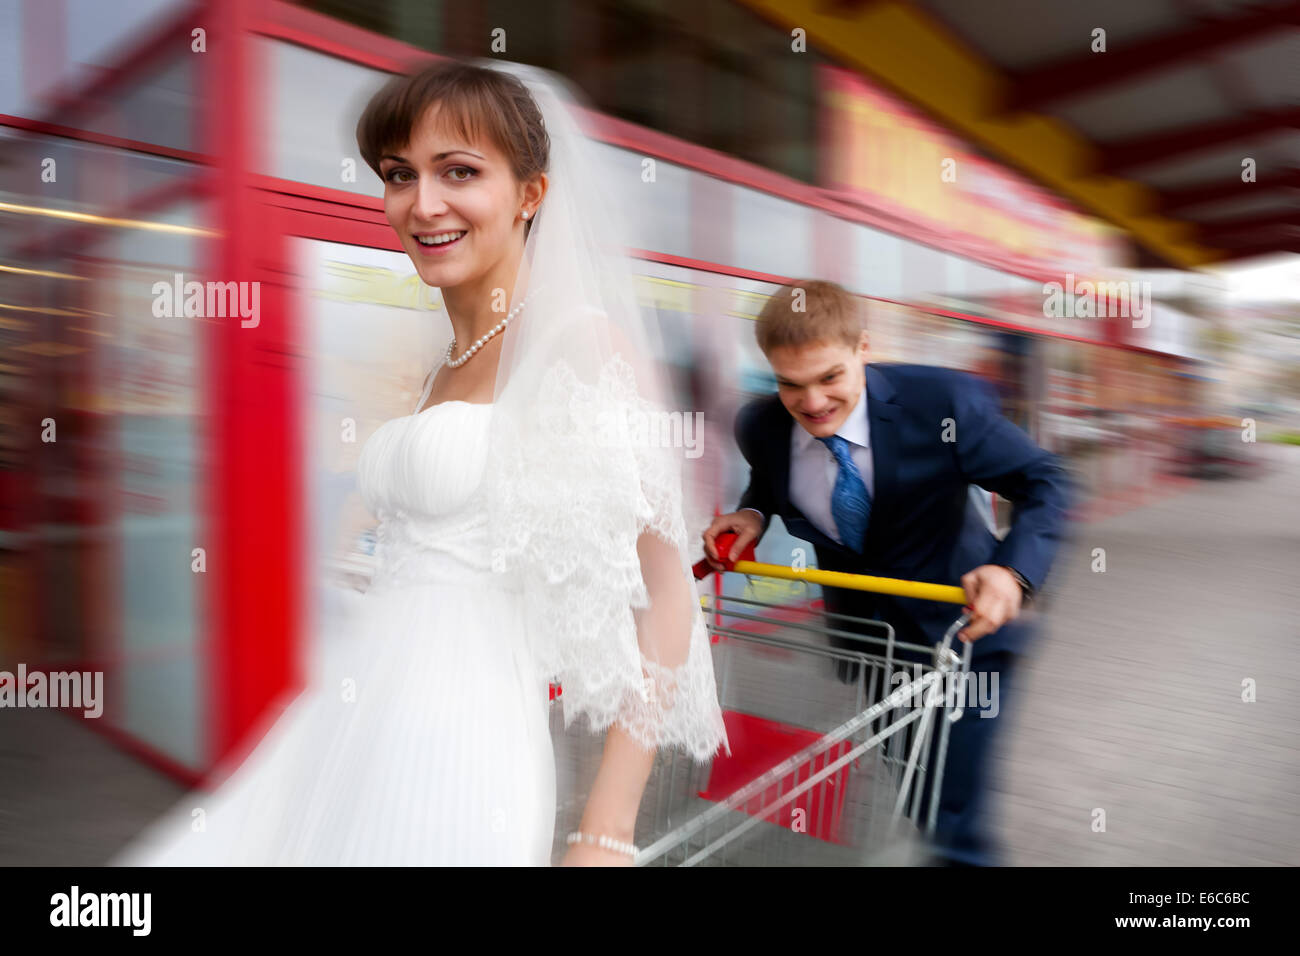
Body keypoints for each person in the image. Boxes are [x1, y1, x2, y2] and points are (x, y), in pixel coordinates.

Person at [112, 59, 728, 867]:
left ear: (532, 194)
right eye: (399, 174)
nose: (422, 203)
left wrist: (604, 831)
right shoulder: (446, 358)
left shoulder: (578, 346)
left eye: (459, 172)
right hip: (348, 718)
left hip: (461, 752)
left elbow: (664, 594)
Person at [702, 280, 1069, 866]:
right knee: (920, 797)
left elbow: (1046, 480)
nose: (813, 403)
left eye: (830, 378)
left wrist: (1011, 572)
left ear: (863, 348)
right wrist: (752, 511)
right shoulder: (762, 426)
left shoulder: (943, 404)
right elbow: (775, 478)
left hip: (967, 638)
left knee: (954, 820)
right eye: (790, 384)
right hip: (877, 648)